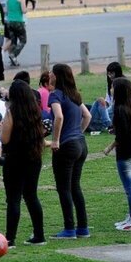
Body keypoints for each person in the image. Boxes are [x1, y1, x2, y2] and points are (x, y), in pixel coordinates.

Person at [48, 63, 92, 239]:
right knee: (75, 188)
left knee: (63, 188)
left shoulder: (55, 95)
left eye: (51, 72)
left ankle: (69, 229)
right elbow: (87, 115)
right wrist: (77, 133)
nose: (49, 74)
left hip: (66, 147)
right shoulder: (74, 95)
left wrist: (56, 139)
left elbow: (58, 116)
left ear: (57, 76)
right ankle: (83, 228)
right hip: (81, 145)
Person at [1, 80, 46, 247]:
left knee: (13, 199)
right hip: (33, 158)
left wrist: (0, 130)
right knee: (31, 195)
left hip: (14, 159)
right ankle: (39, 235)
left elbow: (5, 138)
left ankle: (10, 238)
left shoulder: (11, 112)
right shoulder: (35, 110)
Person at [103, 78, 131, 231]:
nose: (111, 90)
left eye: (113, 87)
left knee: (130, 189)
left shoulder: (120, 110)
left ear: (119, 90)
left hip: (126, 156)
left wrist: (110, 147)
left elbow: (122, 136)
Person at [6, 0, 27, 67]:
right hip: (18, 21)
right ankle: (13, 55)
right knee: (23, 40)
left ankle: (13, 60)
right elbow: (24, 10)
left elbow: (7, 10)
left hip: (9, 21)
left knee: (13, 41)